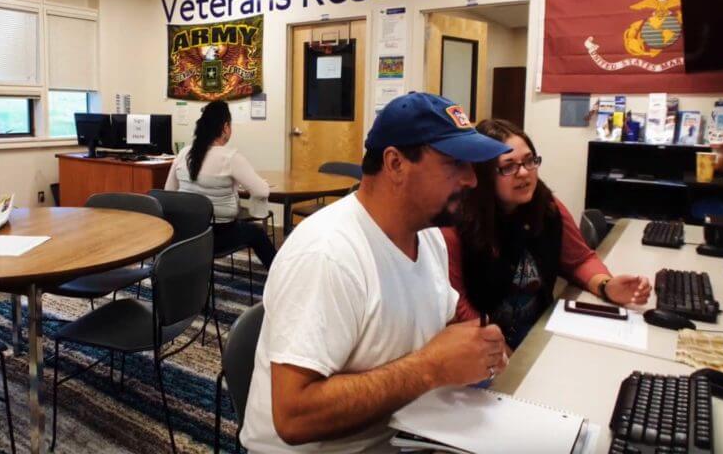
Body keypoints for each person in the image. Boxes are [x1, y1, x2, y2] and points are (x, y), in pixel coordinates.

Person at [239, 92, 511, 453]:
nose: (471, 180)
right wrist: (431, 368)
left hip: (402, 435)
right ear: (396, 163)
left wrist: (473, 349)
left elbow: (428, 329)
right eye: (454, 163)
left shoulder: (429, 237)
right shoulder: (328, 254)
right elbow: (293, 417)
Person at [444, 119, 651, 351]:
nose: (524, 173)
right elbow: (456, 305)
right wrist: (498, 350)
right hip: (481, 342)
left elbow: (579, 259)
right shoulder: (457, 223)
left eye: (529, 161)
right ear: (484, 174)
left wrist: (606, 286)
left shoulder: (546, 206)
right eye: (508, 166)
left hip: (539, 330)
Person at [164, 100, 276, 269]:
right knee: (257, 232)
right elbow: (260, 191)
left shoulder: (184, 153)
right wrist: (262, 184)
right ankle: (280, 275)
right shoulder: (230, 158)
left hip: (185, 233)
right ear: (225, 128)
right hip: (217, 235)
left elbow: (169, 192)